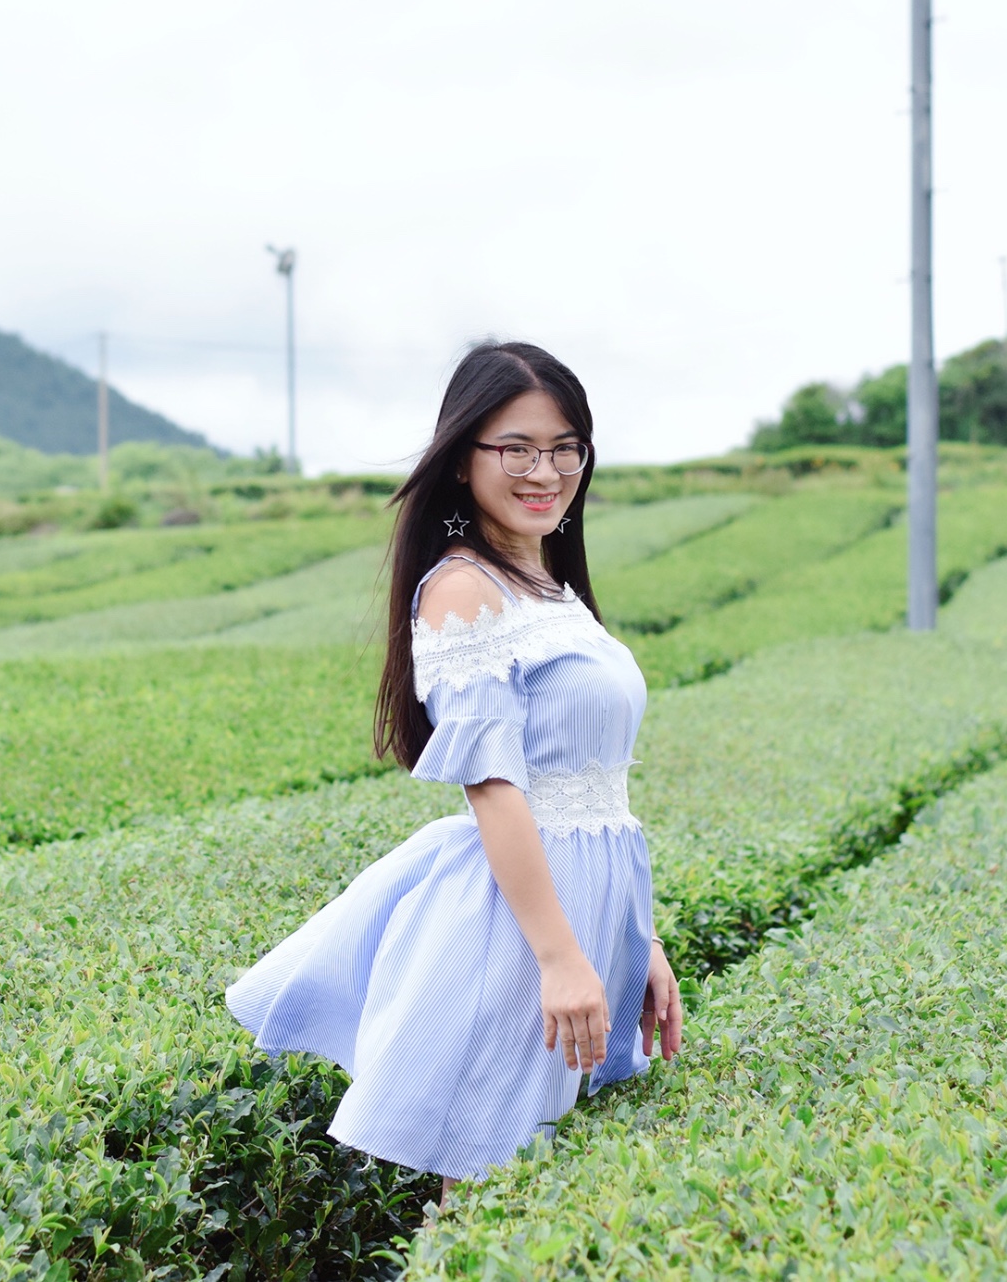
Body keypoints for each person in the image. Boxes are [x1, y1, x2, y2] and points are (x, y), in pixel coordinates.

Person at [227, 341, 681, 1202]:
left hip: (583, 913)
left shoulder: (550, 589)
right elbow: (497, 789)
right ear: (464, 455)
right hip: (517, 930)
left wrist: (638, 937)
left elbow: (587, 788)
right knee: (482, 1188)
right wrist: (558, 957)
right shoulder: (464, 589)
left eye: (564, 447)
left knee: (539, 1199)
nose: (543, 470)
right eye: (515, 448)